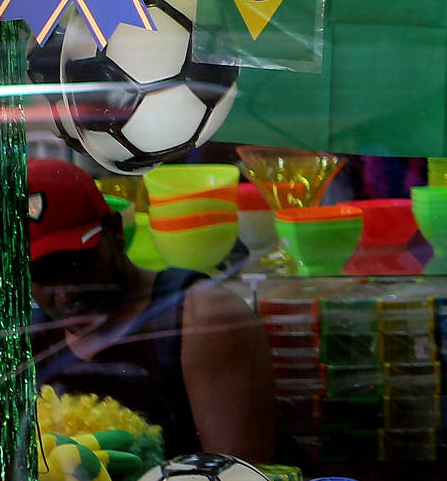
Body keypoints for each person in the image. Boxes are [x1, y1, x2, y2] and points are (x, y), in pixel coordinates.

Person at [25, 157, 277, 461]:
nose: (64, 296)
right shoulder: (27, 341)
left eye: (75, 265)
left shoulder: (200, 317)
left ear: (115, 231)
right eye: (41, 277)